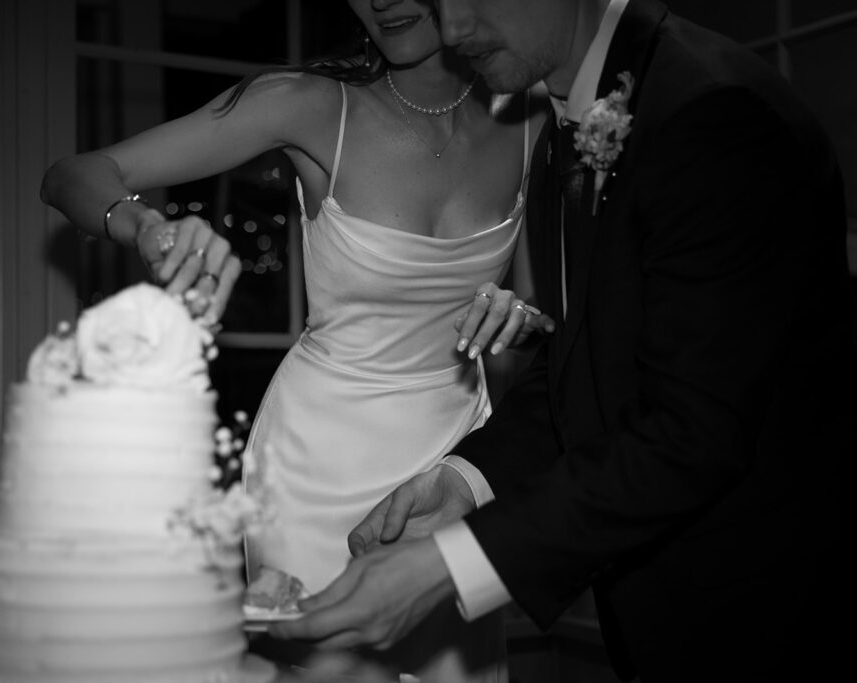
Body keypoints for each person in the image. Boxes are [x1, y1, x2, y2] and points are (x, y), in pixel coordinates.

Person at [270, 1, 856, 682]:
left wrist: (451, 565)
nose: (454, 31)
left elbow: (691, 430)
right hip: (665, 612)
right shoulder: (568, 127)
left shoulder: (714, 116)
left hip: (766, 612)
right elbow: (586, 372)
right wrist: (466, 480)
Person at [41, 1, 554, 680]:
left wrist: (523, 318)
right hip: (316, 465)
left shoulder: (531, 116)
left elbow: (558, 332)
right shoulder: (310, 107)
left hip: (455, 462)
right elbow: (72, 175)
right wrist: (145, 228)